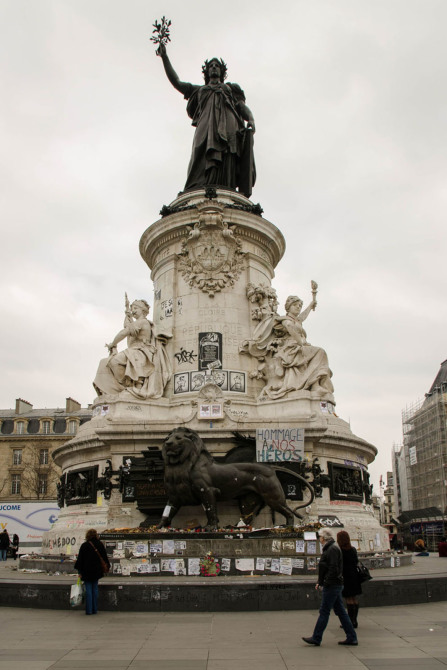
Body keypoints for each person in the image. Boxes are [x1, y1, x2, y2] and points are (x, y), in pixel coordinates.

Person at [157, 43, 256, 197]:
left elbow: (241, 107)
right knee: (199, 153)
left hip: (229, 126)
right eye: (211, 66)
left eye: (217, 65)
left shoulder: (230, 89)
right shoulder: (199, 90)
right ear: (207, 71)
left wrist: (250, 118)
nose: (214, 68)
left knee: (227, 156)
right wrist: (164, 57)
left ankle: (226, 188)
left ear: (222, 71)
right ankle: (197, 188)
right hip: (205, 127)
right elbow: (177, 82)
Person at [93, 299, 171, 400]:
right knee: (105, 362)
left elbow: (124, 332)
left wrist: (112, 344)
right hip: (134, 351)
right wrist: (127, 316)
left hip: (141, 352)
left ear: (143, 310)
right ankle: (126, 387)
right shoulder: (136, 323)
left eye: (135, 308)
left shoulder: (142, 322)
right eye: (132, 308)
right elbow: (127, 326)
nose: (133, 311)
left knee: (114, 361)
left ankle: (131, 387)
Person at [259, 295, 334, 400]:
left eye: (299, 305)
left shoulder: (297, 320)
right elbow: (290, 327)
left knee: (319, 354)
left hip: (298, 347)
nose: (298, 307)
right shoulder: (285, 320)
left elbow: (303, 316)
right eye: (295, 305)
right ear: (288, 307)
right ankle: (314, 384)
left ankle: (316, 384)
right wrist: (301, 342)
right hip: (290, 349)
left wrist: (311, 305)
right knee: (320, 352)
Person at [302, 528, 358, 647]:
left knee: (324, 611)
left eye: (320, 537)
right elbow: (326, 568)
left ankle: (317, 637)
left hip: (332, 585)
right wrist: (321, 581)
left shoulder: (332, 549)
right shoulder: (331, 548)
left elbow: (333, 568)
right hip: (334, 584)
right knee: (341, 612)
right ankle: (352, 637)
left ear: (324, 538)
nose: (319, 539)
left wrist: (326, 582)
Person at [74, 529, 110, 615]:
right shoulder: (100, 544)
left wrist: (79, 572)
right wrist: (107, 567)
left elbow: (80, 560)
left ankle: (89, 610)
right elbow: (105, 557)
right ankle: (95, 609)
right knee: (95, 589)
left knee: (88, 590)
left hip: (86, 571)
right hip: (97, 570)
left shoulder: (85, 545)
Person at [337, 530, 362, 628]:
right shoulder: (353, 549)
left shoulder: (340, 551)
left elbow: (340, 564)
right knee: (354, 598)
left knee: (348, 599)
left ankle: (350, 622)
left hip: (346, 576)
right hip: (354, 576)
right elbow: (356, 561)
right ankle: (354, 620)